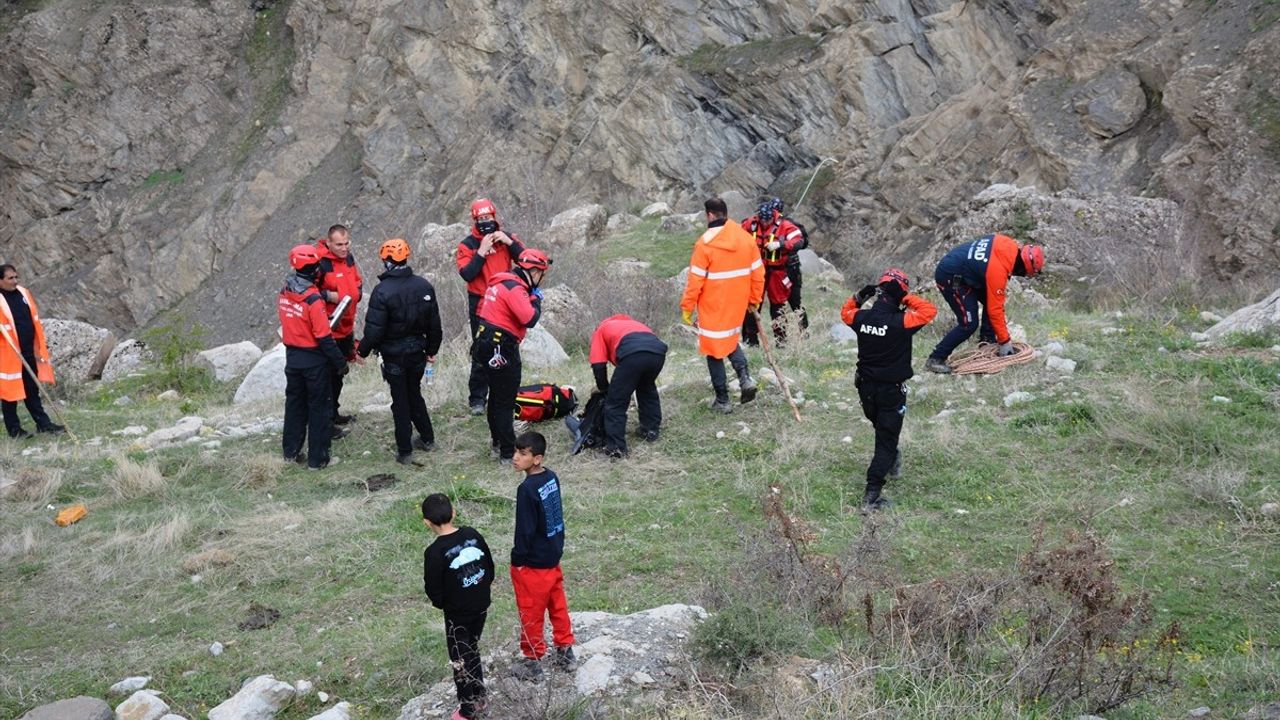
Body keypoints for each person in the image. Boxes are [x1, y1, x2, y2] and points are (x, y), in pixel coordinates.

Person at [841, 269, 938, 510]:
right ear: (900, 295)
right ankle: (871, 495)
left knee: (882, 430)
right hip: (891, 391)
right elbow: (929, 311)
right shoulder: (901, 322)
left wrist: (859, 296)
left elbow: (846, 312)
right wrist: (905, 298)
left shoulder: (861, 318)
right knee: (885, 439)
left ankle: (892, 459)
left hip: (865, 389)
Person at [357, 239, 442, 465]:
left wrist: (361, 351)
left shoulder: (382, 291)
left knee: (400, 401)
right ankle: (427, 439)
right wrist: (432, 349)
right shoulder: (424, 286)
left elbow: (374, 331)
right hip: (417, 353)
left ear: (387, 262)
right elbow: (434, 324)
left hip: (394, 355)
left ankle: (405, 451)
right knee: (414, 394)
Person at [680, 197, 765, 413]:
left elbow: (695, 281)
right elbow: (758, 274)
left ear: (709, 215)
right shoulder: (746, 239)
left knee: (713, 349)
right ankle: (745, 379)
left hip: (713, 305)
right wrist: (754, 300)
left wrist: (687, 308)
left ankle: (723, 400)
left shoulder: (704, 244)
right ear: (725, 213)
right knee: (729, 339)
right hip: (737, 303)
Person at [471, 249, 550, 463]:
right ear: (533, 271)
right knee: (505, 400)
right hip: (501, 346)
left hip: (486, 342)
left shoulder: (500, 282)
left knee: (496, 396)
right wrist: (536, 300)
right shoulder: (515, 288)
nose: (541, 279)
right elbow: (529, 318)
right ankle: (507, 452)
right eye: (541, 273)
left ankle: (498, 443)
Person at [508, 431, 576, 681]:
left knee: (531, 612)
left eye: (522, 454)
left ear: (537, 458)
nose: (515, 458)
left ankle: (533, 662)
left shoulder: (526, 489)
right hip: (552, 556)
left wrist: (518, 559)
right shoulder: (551, 478)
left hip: (533, 564)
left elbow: (524, 529)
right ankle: (565, 651)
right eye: (515, 452)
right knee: (558, 605)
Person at [925, 234, 1044, 374]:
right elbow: (995, 310)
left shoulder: (1007, 244)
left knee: (990, 301)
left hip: (965, 271)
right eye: (1024, 273)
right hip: (951, 277)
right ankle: (936, 358)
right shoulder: (997, 270)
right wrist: (1005, 342)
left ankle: (986, 342)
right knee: (968, 324)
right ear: (1023, 267)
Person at [422, 493, 495, 720]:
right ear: (454, 513)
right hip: (481, 605)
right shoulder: (472, 534)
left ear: (427, 522)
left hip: (457, 615)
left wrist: (444, 604)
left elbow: (433, 588)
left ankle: (467, 709)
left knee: (460, 659)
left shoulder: (434, 552)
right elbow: (489, 567)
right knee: (472, 647)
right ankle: (479, 694)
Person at [278, 245, 348, 469]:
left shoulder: (285, 291)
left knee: (295, 406)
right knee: (320, 409)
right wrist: (340, 363)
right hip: (314, 361)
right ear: (311, 269)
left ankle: (290, 452)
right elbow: (324, 337)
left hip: (293, 358)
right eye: (316, 265)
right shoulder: (312, 300)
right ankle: (318, 459)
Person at [456, 199, 526, 416]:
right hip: (480, 303)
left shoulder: (505, 238)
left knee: (508, 347)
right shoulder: (467, 244)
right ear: (474, 220)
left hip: (505, 301)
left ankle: (505, 393)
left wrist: (508, 242)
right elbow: (466, 274)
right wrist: (481, 252)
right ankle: (477, 398)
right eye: (481, 219)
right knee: (481, 351)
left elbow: (525, 258)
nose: (485, 222)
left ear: (495, 217)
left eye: (488, 218)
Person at [588, 314, 667, 458]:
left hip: (632, 353)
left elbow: (598, 364)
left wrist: (605, 388)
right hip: (658, 352)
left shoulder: (601, 329)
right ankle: (650, 430)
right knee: (647, 389)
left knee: (615, 403)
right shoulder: (634, 324)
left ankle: (615, 449)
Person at [0, 264, 62, 438]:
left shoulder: (23, 293)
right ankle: (15, 430)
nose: (15, 281)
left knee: (32, 389)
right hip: (9, 355)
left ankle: (44, 424)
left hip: (27, 350)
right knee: (9, 393)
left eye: (16, 277)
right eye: (10, 278)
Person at [741, 198, 808, 346]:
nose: (765, 223)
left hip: (777, 272)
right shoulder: (750, 224)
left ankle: (781, 340)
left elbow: (798, 240)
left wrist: (781, 244)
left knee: (778, 305)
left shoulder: (785, 225)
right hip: (755, 271)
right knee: (752, 304)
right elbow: (736, 235)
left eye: (768, 220)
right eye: (762, 220)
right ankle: (751, 340)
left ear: (774, 216)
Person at [315, 225, 363, 429]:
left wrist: (357, 293)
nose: (344, 248)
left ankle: (333, 414)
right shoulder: (321, 263)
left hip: (346, 326)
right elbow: (309, 292)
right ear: (328, 243)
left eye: (346, 243)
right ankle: (325, 420)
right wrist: (329, 296)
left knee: (339, 374)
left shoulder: (348, 258)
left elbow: (357, 281)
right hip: (329, 329)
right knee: (327, 375)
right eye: (339, 245)